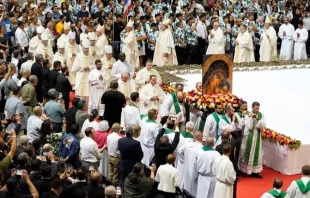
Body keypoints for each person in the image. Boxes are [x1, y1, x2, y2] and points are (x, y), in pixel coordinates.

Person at [239, 102, 266, 178]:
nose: (257, 110)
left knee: (256, 153)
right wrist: (251, 118)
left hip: (257, 135)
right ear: (252, 107)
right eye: (256, 108)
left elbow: (263, 125)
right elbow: (247, 125)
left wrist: (257, 119)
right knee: (245, 152)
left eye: (258, 108)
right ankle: (243, 170)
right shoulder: (248, 114)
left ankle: (255, 172)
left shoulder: (261, 115)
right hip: (249, 136)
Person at [178, 131, 203, 197]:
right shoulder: (201, 148)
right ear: (200, 137)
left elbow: (179, 151)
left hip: (186, 168)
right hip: (195, 169)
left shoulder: (188, 144)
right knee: (193, 189)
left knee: (186, 186)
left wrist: (183, 160)